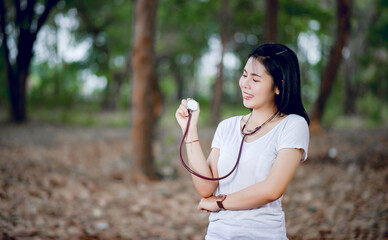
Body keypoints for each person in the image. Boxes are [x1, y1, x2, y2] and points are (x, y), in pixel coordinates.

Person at [175, 43, 310, 239]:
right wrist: (189, 129)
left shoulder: (293, 125)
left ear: (279, 86)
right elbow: (206, 187)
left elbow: (272, 189)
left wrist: (219, 202)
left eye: (255, 79)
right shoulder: (227, 126)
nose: (244, 83)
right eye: (244, 74)